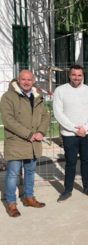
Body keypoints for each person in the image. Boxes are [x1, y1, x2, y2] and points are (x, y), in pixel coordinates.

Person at [0, 70, 50, 217]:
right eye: (23, 79)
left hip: (33, 142)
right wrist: (29, 134)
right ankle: (11, 203)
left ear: (33, 80)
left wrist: (41, 132)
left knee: (29, 172)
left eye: (29, 79)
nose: (27, 82)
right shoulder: (8, 97)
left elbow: (46, 116)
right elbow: (8, 120)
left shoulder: (38, 96)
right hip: (17, 142)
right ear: (18, 79)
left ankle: (29, 197)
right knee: (13, 174)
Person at [53, 64, 88, 202]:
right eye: (74, 75)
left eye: (79, 75)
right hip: (69, 135)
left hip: (87, 133)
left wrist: (85, 128)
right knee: (70, 162)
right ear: (69, 75)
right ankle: (67, 190)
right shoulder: (60, 90)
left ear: (83, 76)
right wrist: (74, 129)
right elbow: (58, 113)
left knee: (86, 161)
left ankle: (87, 187)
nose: (76, 78)